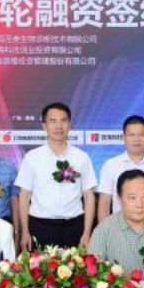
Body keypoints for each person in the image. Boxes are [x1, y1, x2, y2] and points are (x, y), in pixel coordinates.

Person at [15, 102, 97, 250]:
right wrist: (25, 231)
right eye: (53, 121)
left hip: (74, 227)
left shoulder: (81, 157)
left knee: (76, 265)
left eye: (63, 120)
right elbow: (24, 196)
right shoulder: (32, 157)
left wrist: (86, 233)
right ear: (44, 126)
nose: (59, 126)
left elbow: (89, 197)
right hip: (40, 226)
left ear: (69, 125)